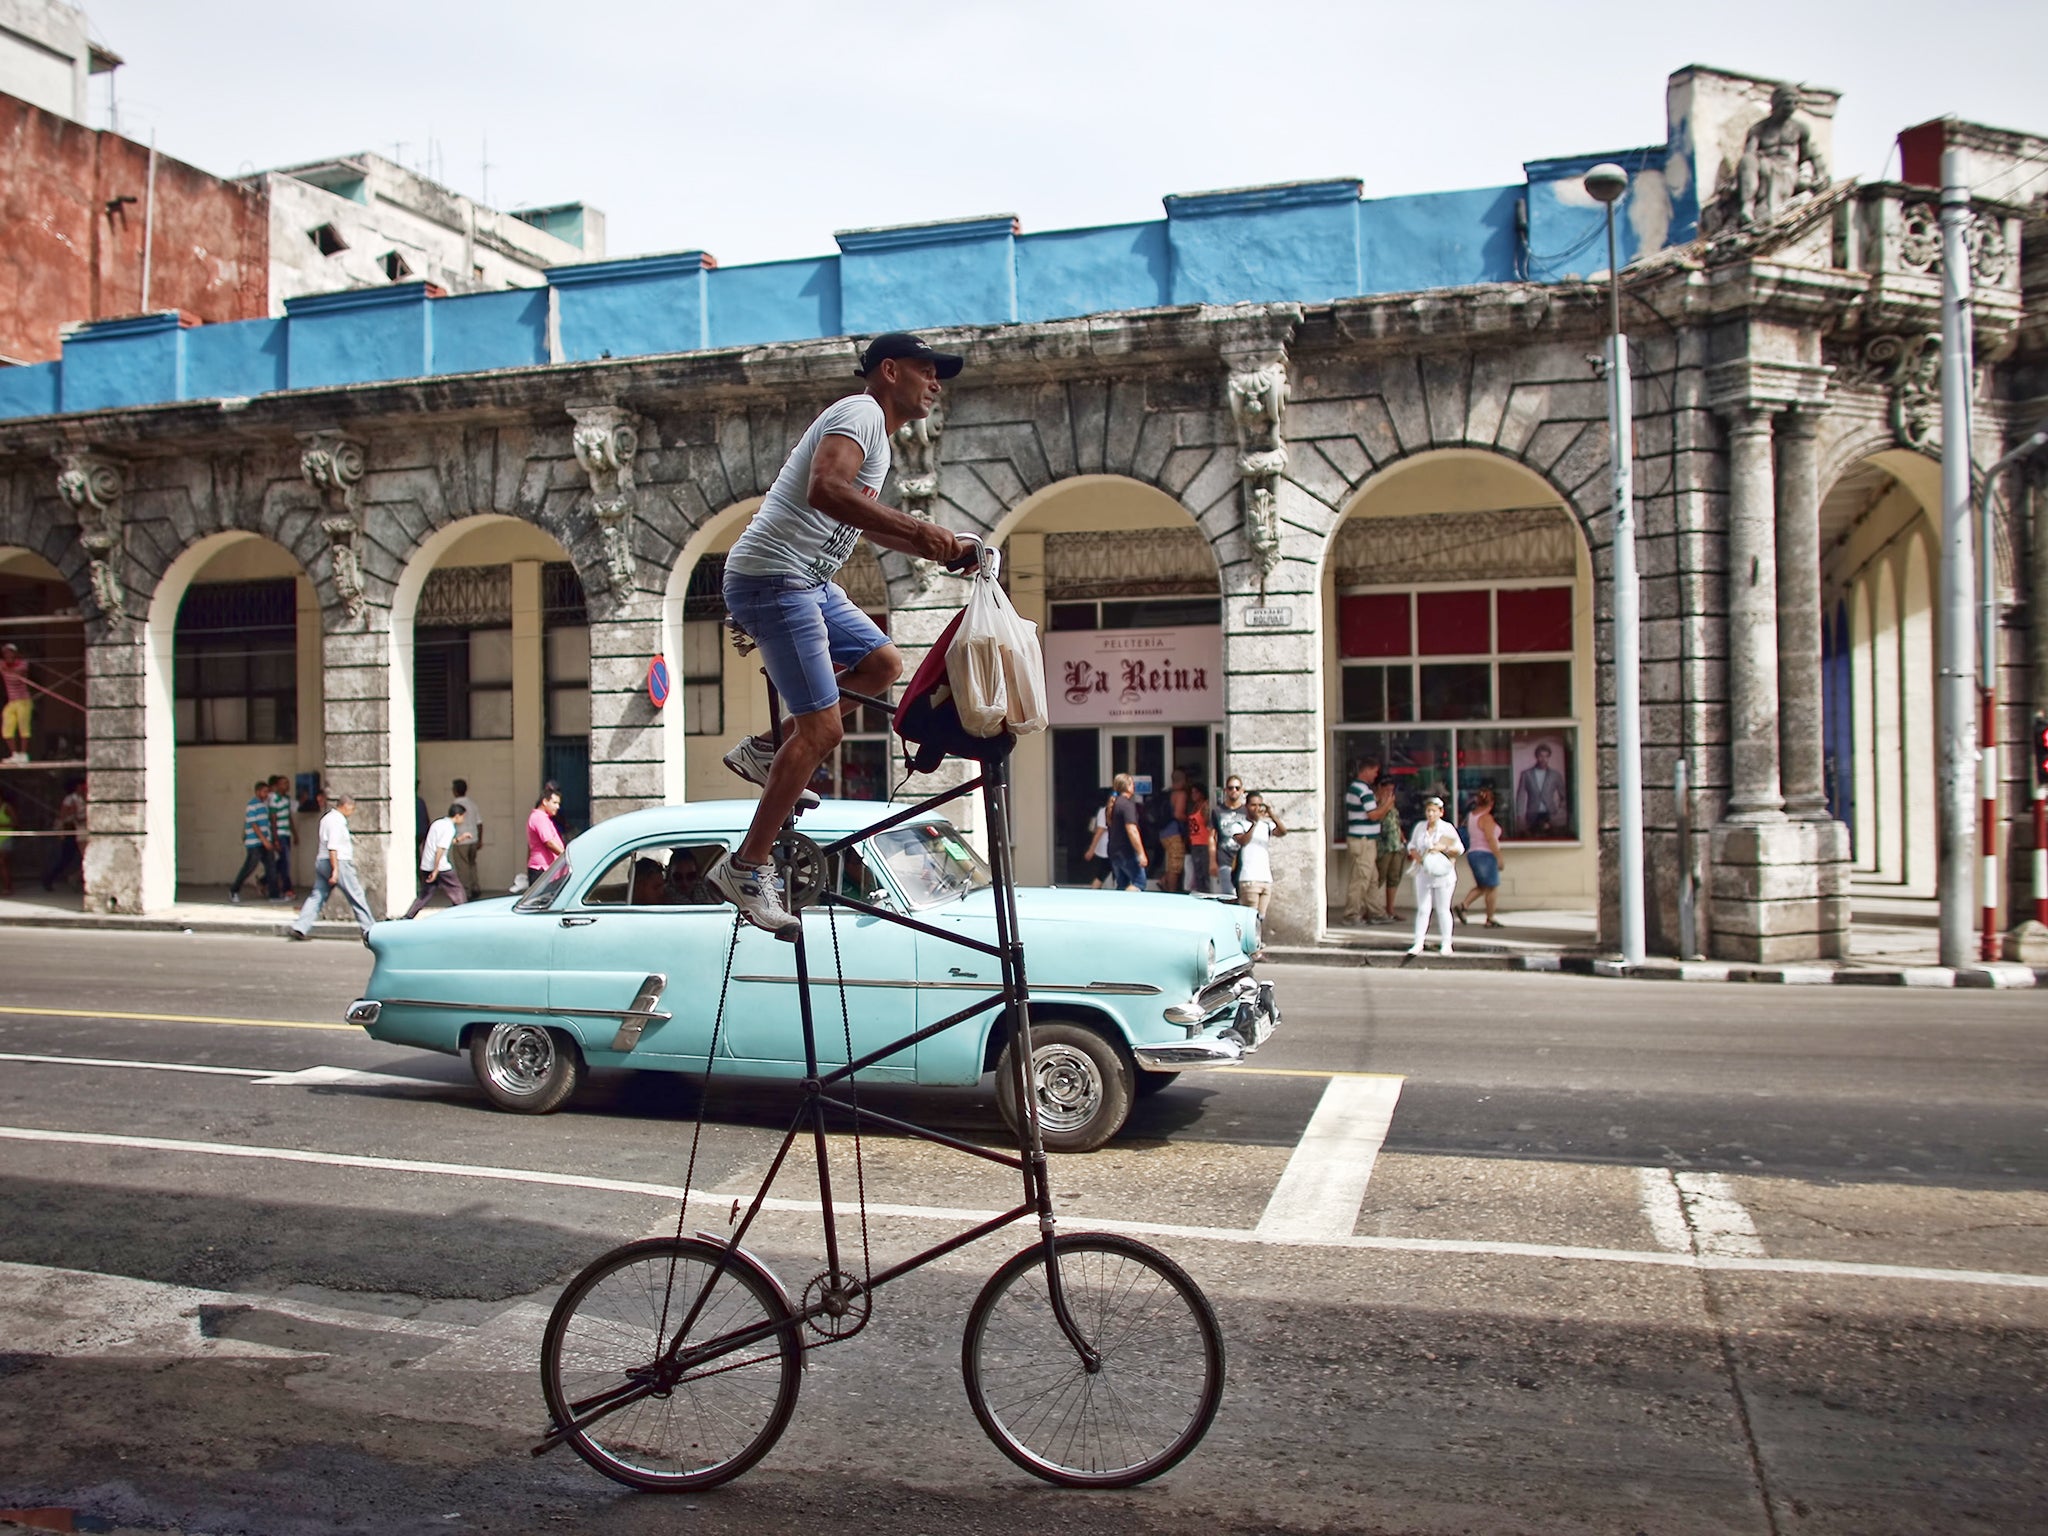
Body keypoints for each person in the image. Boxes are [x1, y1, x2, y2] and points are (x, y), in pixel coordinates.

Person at [709, 331, 975, 937]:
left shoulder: (878, 438)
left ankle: (765, 749)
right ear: (889, 370)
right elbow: (824, 489)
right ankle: (747, 868)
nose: (936, 384)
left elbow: (857, 519)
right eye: (927, 371)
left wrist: (936, 545)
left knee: (883, 663)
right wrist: (919, 527)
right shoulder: (860, 414)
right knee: (824, 729)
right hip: (776, 578)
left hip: (810, 580)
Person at [288, 792, 376, 942]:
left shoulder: (327, 818)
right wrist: (335, 870)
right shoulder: (337, 821)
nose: (352, 812)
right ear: (346, 805)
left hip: (322, 861)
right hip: (338, 862)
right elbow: (333, 847)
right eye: (352, 808)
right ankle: (370, 929)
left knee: (317, 895)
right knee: (356, 895)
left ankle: (300, 926)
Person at [1406, 795, 1464, 957]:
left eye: (1434, 811)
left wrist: (1443, 847)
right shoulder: (1420, 827)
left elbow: (1459, 849)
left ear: (1441, 812)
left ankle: (1446, 942)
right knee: (1423, 909)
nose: (1430, 814)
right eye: (1428, 810)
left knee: (1443, 908)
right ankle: (1419, 942)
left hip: (1443, 874)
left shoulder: (1447, 828)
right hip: (1424, 873)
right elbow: (1411, 846)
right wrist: (1419, 858)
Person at [1340, 757, 1386, 924]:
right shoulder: (1362, 790)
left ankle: (1376, 912)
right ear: (1367, 770)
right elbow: (1373, 815)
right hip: (1363, 840)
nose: (1376, 775)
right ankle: (1351, 914)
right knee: (1361, 878)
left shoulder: (1359, 789)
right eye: (1375, 771)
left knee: (1372, 879)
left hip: (1366, 840)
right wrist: (1387, 804)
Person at [404, 804, 469, 918]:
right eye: (463, 816)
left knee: (425, 894)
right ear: (457, 816)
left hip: (427, 864)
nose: (463, 819)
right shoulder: (449, 828)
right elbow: (440, 848)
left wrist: (459, 839)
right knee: (457, 890)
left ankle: (409, 915)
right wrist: (436, 869)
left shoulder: (438, 823)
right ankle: (463, 914)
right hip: (440, 866)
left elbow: (442, 843)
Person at [1232, 791, 1287, 925]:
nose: (1256, 808)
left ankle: (1257, 943)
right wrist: (1255, 824)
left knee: (1260, 918)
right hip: (1249, 879)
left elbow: (1283, 831)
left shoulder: (1266, 825)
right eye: (1253, 805)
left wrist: (1271, 814)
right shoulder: (1239, 825)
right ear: (1246, 806)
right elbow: (1243, 841)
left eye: (1259, 805)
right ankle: (1249, 944)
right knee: (1250, 919)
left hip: (1265, 878)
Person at [1454, 786, 1505, 927]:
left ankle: (1464, 905)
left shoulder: (1471, 816)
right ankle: (1490, 918)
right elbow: (1490, 838)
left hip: (1473, 853)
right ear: (1492, 803)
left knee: (1482, 886)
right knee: (1492, 888)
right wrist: (1499, 857)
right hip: (1486, 855)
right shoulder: (1486, 818)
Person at [228, 779, 277, 905]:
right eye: (264, 791)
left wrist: (270, 840)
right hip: (255, 843)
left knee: (271, 867)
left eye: (268, 792)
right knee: (249, 867)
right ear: (257, 792)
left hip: (266, 841)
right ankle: (234, 890)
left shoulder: (265, 805)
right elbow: (254, 824)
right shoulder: (252, 805)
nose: (266, 794)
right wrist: (264, 840)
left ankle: (274, 895)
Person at [43, 776, 86, 891]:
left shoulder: (83, 797)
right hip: (72, 828)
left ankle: (76, 877)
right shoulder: (70, 799)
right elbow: (63, 815)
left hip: (82, 827)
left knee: (83, 856)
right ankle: (49, 878)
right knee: (67, 857)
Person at [1106, 772, 1148, 891]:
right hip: (1126, 851)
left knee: (1122, 884)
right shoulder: (1127, 805)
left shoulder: (1113, 804)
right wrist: (1141, 853)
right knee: (1139, 883)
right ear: (1128, 786)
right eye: (1132, 784)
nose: (1134, 786)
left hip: (1114, 850)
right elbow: (1132, 830)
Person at [1516, 742, 1568, 836]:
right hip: (1532, 813)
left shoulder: (1555, 775)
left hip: (1550, 813)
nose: (1543, 759)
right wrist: (1520, 815)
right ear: (1536, 756)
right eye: (1541, 756)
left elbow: (1564, 796)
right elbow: (1520, 796)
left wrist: (1559, 812)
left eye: (1546, 756)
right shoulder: (1526, 774)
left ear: (1549, 757)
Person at [522, 782, 566, 891]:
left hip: (548, 869)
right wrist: (566, 857)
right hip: (542, 870)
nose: (557, 807)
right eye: (555, 803)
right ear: (545, 802)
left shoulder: (544, 818)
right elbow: (549, 842)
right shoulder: (539, 818)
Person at [1374, 779, 1405, 924]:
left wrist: (1402, 839)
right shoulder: (1376, 802)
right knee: (1379, 877)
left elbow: (1396, 824)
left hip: (1396, 845)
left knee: (1394, 878)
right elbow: (1377, 818)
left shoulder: (1392, 806)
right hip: (1383, 846)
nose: (1390, 793)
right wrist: (1385, 804)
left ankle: (1390, 909)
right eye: (1387, 790)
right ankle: (1372, 909)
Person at [1213, 776, 1249, 898]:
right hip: (1224, 856)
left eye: (1237, 788)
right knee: (1228, 893)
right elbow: (1212, 836)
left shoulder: (1247, 811)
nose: (1234, 790)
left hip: (1242, 858)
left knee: (1242, 893)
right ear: (1225, 790)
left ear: (1242, 791)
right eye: (1230, 788)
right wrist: (1212, 861)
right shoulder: (1217, 811)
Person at [449, 777, 482, 899]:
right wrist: (480, 839)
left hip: (461, 840)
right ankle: (475, 886)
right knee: (472, 864)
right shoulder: (472, 804)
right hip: (473, 839)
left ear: (455, 791)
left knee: (462, 866)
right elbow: (479, 822)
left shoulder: (456, 805)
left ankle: (466, 890)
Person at [1157, 770, 1189, 892]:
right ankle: (1172, 892)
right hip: (1174, 833)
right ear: (1183, 780)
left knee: (1171, 862)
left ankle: (1164, 880)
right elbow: (1178, 814)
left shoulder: (1166, 794)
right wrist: (1189, 818)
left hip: (1163, 833)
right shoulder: (1180, 794)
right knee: (1175, 865)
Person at [266, 775, 295, 901]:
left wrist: (295, 833)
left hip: (286, 833)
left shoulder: (287, 799)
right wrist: (275, 838)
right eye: (284, 783)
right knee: (285, 863)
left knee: (283, 862)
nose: (287, 786)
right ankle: (287, 890)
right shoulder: (274, 799)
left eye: (287, 783)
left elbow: (289, 817)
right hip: (280, 835)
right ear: (277, 786)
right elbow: (273, 819)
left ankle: (264, 880)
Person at [1, 643, 31, 761]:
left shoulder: (22, 664)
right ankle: (14, 754)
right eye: (5, 653)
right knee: (7, 729)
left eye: (10, 652)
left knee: (24, 727)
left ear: (15, 654)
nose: (7, 655)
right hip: (12, 702)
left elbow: (18, 674)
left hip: (23, 700)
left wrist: (6, 669)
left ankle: (23, 754)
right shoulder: (2, 664)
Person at [1184, 783, 1213, 895]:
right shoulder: (1194, 806)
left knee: (1204, 872)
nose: (1193, 795)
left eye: (1196, 792)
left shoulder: (1205, 806)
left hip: (1204, 842)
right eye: (1192, 792)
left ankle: (1206, 893)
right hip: (1195, 842)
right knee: (1198, 872)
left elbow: (1208, 823)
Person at [1080, 791, 1110, 888]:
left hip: (1104, 848)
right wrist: (1091, 850)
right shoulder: (1105, 811)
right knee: (1104, 873)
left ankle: (1093, 891)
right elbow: (1099, 831)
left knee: (1102, 873)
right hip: (1108, 848)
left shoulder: (1101, 811)